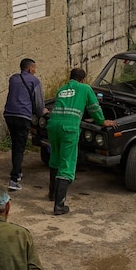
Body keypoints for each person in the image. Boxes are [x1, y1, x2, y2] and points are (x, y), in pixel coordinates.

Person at [46, 67, 115, 215]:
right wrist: (102, 121)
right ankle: (59, 206)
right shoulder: (85, 88)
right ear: (83, 79)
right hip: (68, 128)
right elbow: (94, 107)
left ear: (70, 78)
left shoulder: (62, 89)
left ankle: (52, 194)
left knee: (55, 158)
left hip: (53, 125)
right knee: (67, 164)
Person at [2, 58, 44, 192]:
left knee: (15, 144)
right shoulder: (35, 81)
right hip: (23, 116)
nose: (35, 71)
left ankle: (18, 171)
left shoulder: (13, 78)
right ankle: (13, 179)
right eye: (34, 68)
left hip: (9, 115)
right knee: (20, 147)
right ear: (30, 68)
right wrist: (42, 112)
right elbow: (38, 104)